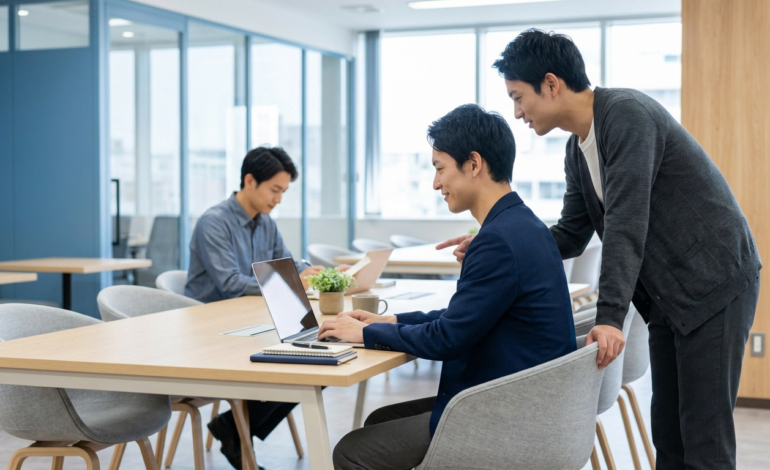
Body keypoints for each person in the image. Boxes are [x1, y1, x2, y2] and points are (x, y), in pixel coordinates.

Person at [439, 29, 761, 470]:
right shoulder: (577, 151)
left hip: (715, 282)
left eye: (519, 97)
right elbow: (571, 234)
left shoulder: (626, 116)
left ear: (551, 84)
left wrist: (610, 319)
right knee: (668, 432)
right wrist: (496, 241)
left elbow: (628, 223)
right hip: (670, 296)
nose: (516, 113)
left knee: (703, 438)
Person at [319, 104, 577, 470]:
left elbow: (448, 339)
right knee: (379, 423)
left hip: (505, 416)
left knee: (350, 451)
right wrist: (390, 322)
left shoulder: (498, 240)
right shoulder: (525, 225)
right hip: (528, 402)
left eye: (440, 169)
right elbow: (465, 317)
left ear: (473, 164)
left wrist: (365, 334)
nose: (436, 183)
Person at [186, 146, 345, 470]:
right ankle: (235, 427)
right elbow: (230, 284)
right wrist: (292, 279)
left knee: (322, 354)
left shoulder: (266, 223)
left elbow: (285, 264)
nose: (279, 199)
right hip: (212, 332)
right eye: (275, 190)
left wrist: (309, 272)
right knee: (306, 357)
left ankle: (236, 426)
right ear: (249, 181)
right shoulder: (214, 222)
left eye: (284, 191)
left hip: (250, 323)